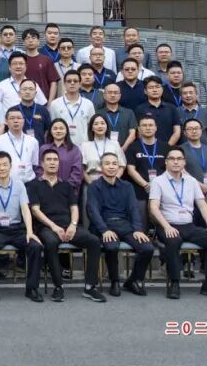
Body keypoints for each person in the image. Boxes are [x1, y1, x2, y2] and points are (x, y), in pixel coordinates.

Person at [149, 146, 207, 300]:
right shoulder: (158, 182)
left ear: (184, 162)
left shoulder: (191, 181)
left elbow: (202, 204)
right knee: (173, 241)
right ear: (166, 162)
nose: (176, 162)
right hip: (167, 224)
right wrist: (167, 226)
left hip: (188, 225)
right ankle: (174, 283)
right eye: (172, 159)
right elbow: (153, 207)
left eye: (179, 159)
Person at [28, 148, 105, 302]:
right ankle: (58, 286)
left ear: (59, 163)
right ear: (42, 164)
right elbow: (35, 210)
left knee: (94, 241)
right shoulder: (33, 185)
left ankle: (90, 287)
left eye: (55, 160)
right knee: (51, 242)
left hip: (68, 225)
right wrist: (54, 227)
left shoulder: (66, 186)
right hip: (46, 227)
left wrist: (73, 224)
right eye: (48, 160)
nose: (52, 163)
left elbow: (74, 208)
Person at [86, 153, 154, 297]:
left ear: (118, 166)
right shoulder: (94, 186)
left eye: (114, 163)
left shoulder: (127, 186)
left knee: (147, 248)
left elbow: (133, 209)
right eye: (107, 164)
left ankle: (133, 280)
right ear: (101, 167)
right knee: (111, 246)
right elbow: (93, 211)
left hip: (125, 225)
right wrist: (104, 230)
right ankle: (114, 281)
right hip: (104, 225)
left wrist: (138, 229)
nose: (111, 167)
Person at [0, 151, 44, 303]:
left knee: (35, 246)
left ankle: (32, 288)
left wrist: (29, 232)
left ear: (10, 166)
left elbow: (25, 210)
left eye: (5, 164)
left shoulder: (19, 185)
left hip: (16, 229)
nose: (2, 168)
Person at [124, 115, 169, 220]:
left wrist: (157, 184)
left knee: (161, 222)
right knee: (141, 223)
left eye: (150, 125)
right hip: (139, 191)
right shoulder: (132, 147)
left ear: (156, 128)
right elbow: (130, 170)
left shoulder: (165, 147)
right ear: (139, 129)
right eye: (144, 125)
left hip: (162, 190)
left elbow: (170, 169)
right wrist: (146, 185)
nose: (148, 128)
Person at [0, 108, 39, 183]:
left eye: (19, 118)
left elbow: (34, 163)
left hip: (29, 183)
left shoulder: (33, 141)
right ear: (6, 121)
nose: (16, 121)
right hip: (7, 184)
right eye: (12, 118)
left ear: (23, 120)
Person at [48, 70, 95, 146]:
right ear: (64, 84)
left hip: (83, 146)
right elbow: (52, 127)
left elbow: (91, 127)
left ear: (80, 84)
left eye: (75, 81)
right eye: (69, 81)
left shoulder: (88, 104)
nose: (72, 83)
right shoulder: (55, 104)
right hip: (62, 146)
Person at [37, 119, 83, 196]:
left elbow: (77, 172)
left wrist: (63, 188)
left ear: (66, 131)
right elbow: (39, 170)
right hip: (46, 191)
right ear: (50, 131)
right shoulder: (43, 148)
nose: (58, 131)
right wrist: (46, 186)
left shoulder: (74, 150)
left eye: (61, 128)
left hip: (68, 192)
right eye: (55, 129)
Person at [134, 76, 182, 145]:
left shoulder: (172, 108)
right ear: (145, 91)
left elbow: (177, 132)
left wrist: (166, 148)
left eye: (157, 87)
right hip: (147, 148)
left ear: (162, 89)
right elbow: (139, 133)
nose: (155, 90)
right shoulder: (140, 109)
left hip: (169, 147)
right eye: (151, 87)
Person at [80, 114, 126, 183]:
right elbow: (82, 169)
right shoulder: (85, 145)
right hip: (91, 181)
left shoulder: (115, 144)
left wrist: (113, 181)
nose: (100, 126)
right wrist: (91, 184)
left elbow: (122, 166)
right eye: (96, 124)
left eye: (102, 123)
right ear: (92, 128)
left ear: (107, 126)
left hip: (112, 181)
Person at [181, 119, 207, 193]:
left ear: (201, 130)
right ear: (185, 132)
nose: (194, 131)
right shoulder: (180, 150)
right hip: (190, 191)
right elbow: (182, 171)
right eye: (190, 129)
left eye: (197, 128)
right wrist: (201, 186)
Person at [96, 82, 137, 148]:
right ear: (104, 95)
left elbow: (132, 133)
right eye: (109, 92)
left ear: (120, 95)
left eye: (115, 93)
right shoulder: (98, 113)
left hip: (126, 149)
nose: (113, 95)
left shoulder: (129, 112)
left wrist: (123, 148)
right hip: (103, 149)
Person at [178, 81, 207, 149]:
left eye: (191, 92)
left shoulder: (206, 113)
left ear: (197, 95)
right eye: (185, 93)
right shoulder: (176, 112)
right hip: (182, 152)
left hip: (204, 152)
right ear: (181, 96)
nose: (188, 95)